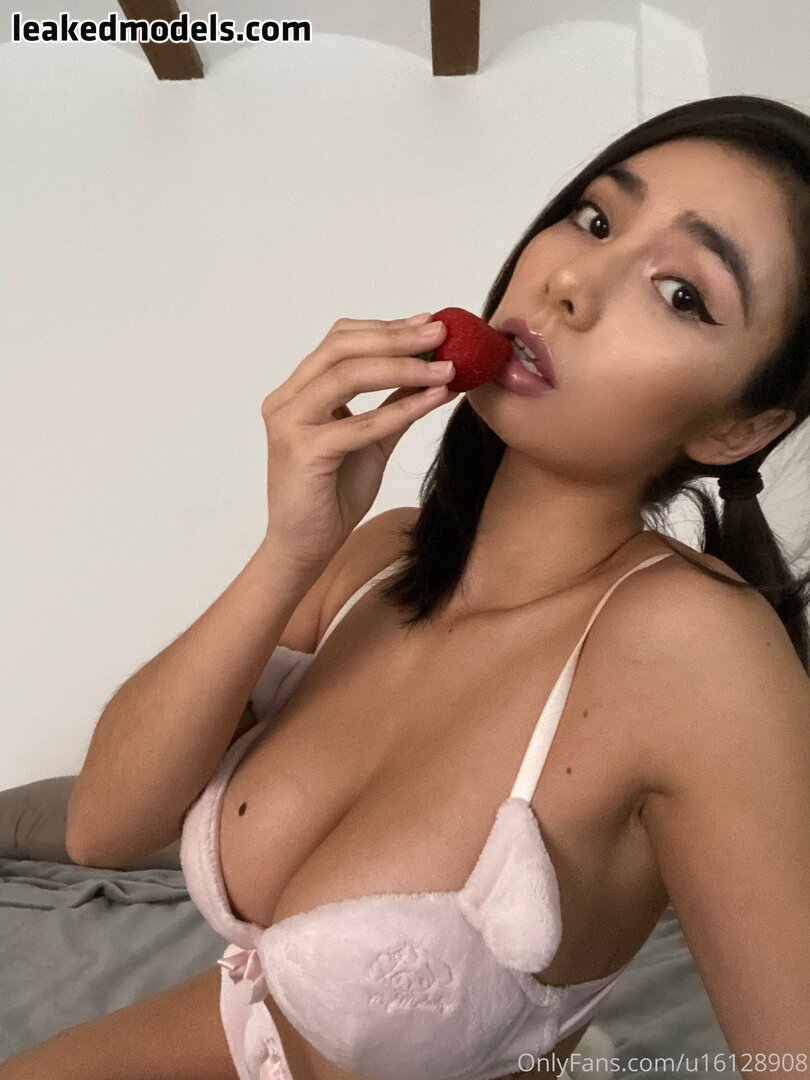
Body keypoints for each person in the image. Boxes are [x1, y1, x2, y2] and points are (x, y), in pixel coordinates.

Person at [7, 93, 810, 1080]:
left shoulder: (696, 649)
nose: (571, 283)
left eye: (682, 292)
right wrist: (289, 549)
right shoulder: (376, 558)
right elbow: (102, 829)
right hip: (229, 1036)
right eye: (595, 218)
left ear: (737, 428)